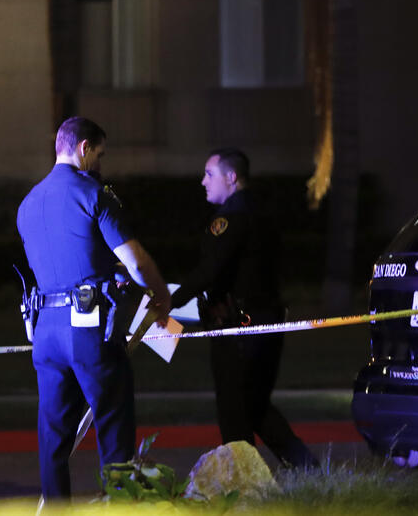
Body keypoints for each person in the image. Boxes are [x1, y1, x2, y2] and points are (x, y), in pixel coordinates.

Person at [16, 116, 171, 500]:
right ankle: (119, 505)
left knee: (53, 437)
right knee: (113, 425)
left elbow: (59, 259)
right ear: (84, 148)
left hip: (45, 330)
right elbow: (135, 261)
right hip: (88, 329)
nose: (101, 164)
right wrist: (161, 294)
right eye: (99, 154)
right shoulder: (92, 194)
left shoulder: (28, 203)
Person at [170, 148, 318, 470]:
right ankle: (307, 469)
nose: (203, 181)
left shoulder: (229, 218)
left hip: (238, 327)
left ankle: (245, 483)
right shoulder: (264, 212)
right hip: (267, 322)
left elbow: (211, 271)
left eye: (210, 174)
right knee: (256, 406)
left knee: (235, 413)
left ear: (231, 177)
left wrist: (169, 301)